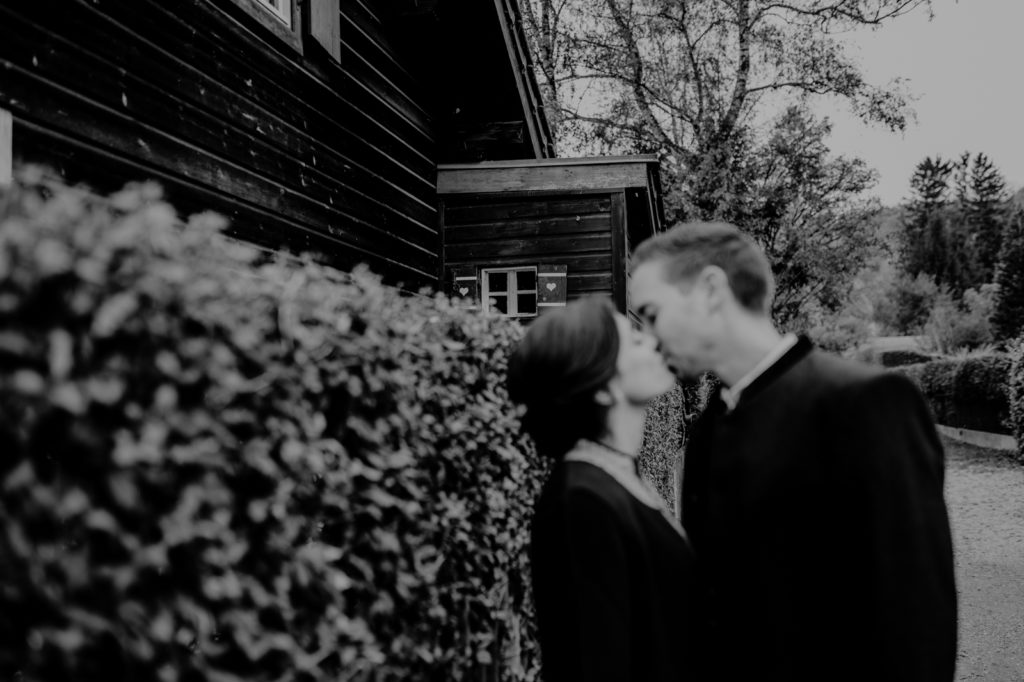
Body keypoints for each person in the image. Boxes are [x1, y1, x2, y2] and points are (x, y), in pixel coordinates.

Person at [628, 221, 957, 682]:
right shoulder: (707, 428)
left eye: (652, 313)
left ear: (710, 290)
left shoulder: (866, 403)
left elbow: (916, 621)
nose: (648, 338)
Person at [506, 296, 699, 682]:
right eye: (634, 340)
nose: (652, 340)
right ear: (602, 389)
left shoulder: (616, 475)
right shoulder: (580, 503)